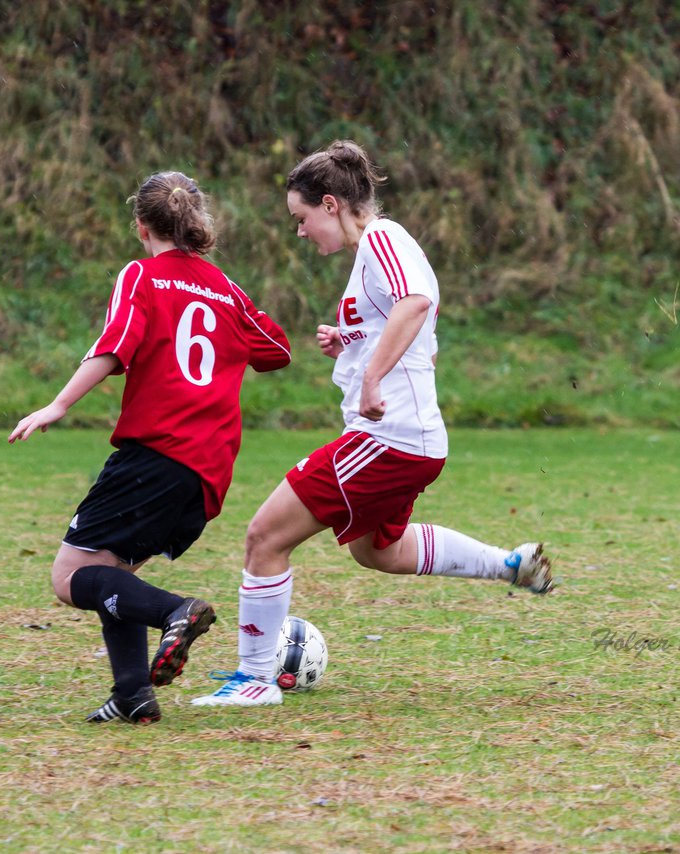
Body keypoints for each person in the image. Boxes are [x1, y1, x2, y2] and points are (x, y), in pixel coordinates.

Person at [193, 141, 551, 708]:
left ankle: (255, 679)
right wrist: (350, 343)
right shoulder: (370, 258)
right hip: (411, 442)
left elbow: (415, 305)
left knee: (264, 535)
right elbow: (413, 338)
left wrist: (371, 380)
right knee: (377, 551)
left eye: (302, 218)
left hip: (389, 438)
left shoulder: (384, 239)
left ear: (331, 204)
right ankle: (507, 565)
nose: (301, 231)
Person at [9, 171, 291, 724]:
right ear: (196, 224)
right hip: (208, 472)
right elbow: (276, 350)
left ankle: (175, 612)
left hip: (156, 453)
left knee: (70, 577)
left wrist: (58, 405)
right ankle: (133, 694)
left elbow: (115, 346)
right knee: (112, 570)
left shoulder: (141, 274)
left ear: (141, 226)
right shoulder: (224, 287)